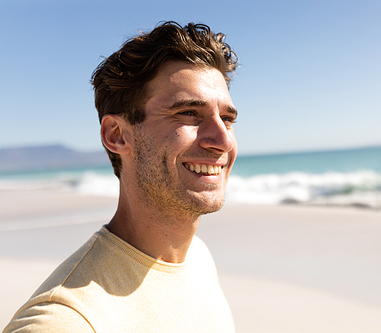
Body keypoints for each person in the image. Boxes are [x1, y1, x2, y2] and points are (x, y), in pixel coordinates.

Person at [4, 21, 238, 333]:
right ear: (117, 135)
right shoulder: (65, 321)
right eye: (188, 113)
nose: (222, 141)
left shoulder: (197, 257)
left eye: (227, 118)